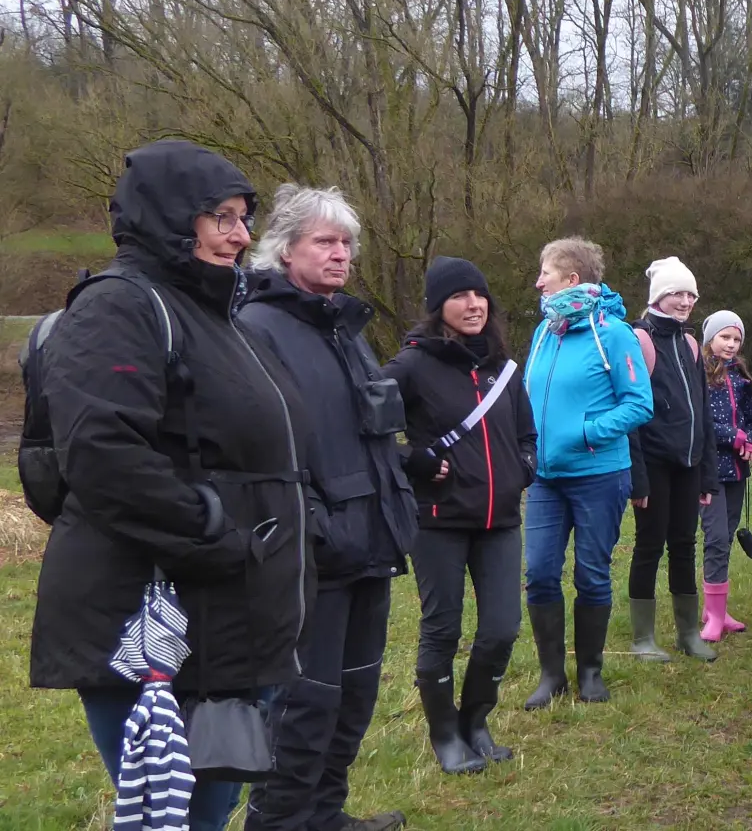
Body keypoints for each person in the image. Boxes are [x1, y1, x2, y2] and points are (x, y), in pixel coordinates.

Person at [29, 141, 313, 831]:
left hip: (234, 610)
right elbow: (102, 455)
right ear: (167, 218)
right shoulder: (118, 309)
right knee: (173, 817)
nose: (241, 235)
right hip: (156, 622)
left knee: (207, 810)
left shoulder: (220, 317)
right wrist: (211, 531)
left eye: (244, 217)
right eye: (220, 217)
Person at [239, 185, 414, 831]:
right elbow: (261, 451)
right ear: (285, 250)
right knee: (304, 710)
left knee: (354, 700)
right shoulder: (258, 328)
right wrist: (311, 532)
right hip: (312, 557)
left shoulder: (346, 328)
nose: (341, 254)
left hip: (370, 542)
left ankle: (326, 816)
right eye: (325, 241)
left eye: (346, 243)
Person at [383, 257, 535, 774]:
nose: (473, 305)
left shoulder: (504, 366)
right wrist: (415, 459)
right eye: (459, 296)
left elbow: (524, 433)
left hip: (500, 520)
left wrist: (525, 467)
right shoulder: (409, 365)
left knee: (502, 629)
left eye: (479, 295)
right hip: (437, 520)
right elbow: (369, 429)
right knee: (442, 630)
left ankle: (476, 722)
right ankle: (445, 735)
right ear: (437, 307)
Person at [521, 237, 653, 709]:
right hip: (544, 478)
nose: (538, 282)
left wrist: (586, 430)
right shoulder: (545, 332)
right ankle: (551, 674)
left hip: (599, 473)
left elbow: (640, 404)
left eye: (546, 273)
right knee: (538, 573)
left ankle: (590, 672)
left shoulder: (615, 334)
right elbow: (526, 395)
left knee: (592, 574)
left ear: (572, 280)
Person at [627, 257, 721, 662]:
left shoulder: (689, 344)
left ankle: (688, 634)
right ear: (659, 297)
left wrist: (706, 475)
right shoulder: (638, 340)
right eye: (677, 294)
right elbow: (629, 414)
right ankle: (642, 638)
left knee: (685, 544)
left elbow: (703, 412)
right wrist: (637, 479)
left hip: (688, 465)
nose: (685, 301)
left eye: (690, 295)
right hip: (653, 464)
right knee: (649, 545)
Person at [698, 309, 752, 642]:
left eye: (736, 339)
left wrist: (751, 442)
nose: (731, 344)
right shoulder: (701, 373)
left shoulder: (741, 376)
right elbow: (701, 419)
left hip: (737, 471)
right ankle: (712, 617)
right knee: (717, 538)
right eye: (725, 337)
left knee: (728, 533)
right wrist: (731, 435)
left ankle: (716, 610)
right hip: (708, 471)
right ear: (711, 338)